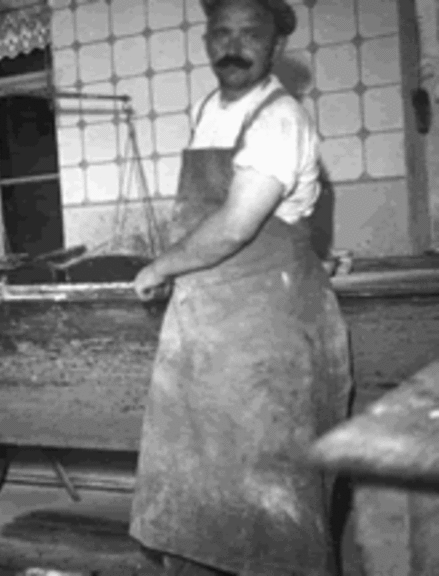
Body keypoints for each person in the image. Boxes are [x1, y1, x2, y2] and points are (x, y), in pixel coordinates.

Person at [129, 1, 354, 575]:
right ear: (207, 41)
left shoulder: (281, 118)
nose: (233, 46)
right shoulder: (209, 109)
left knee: (268, 496)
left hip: (265, 335)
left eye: (250, 34)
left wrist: (159, 268)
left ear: (276, 46)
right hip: (204, 329)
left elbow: (234, 224)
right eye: (221, 33)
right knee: (196, 482)